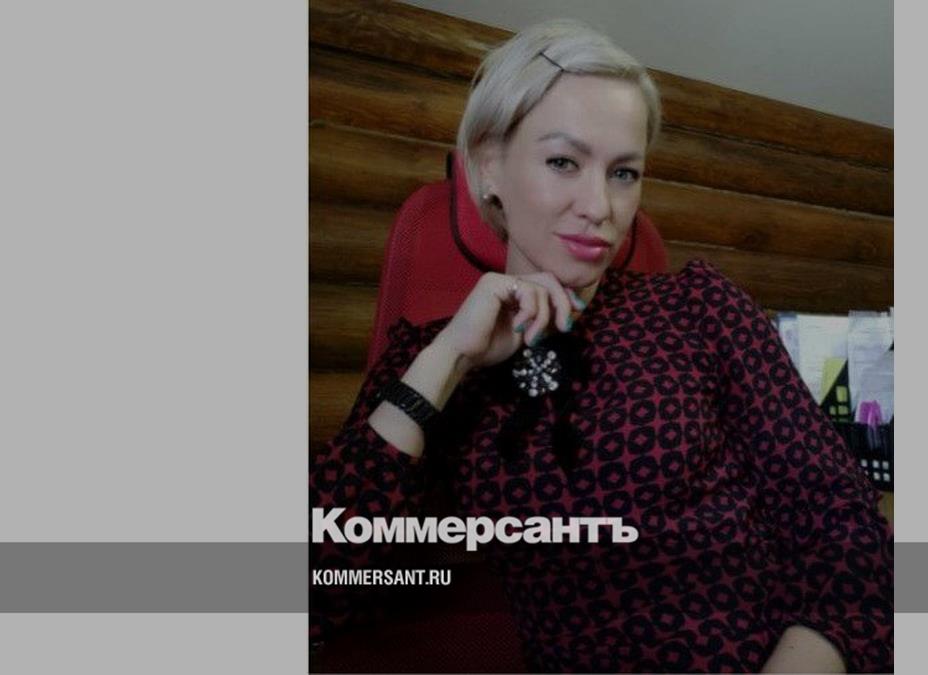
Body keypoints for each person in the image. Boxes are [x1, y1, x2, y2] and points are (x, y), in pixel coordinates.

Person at [310, 18, 893, 673]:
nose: (601, 206)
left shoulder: (697, 306)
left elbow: (841, 519)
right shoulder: (429, 358)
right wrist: (449, 359)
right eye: (564, 162)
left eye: (624, 172)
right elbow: (320, 586)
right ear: (488, 165)